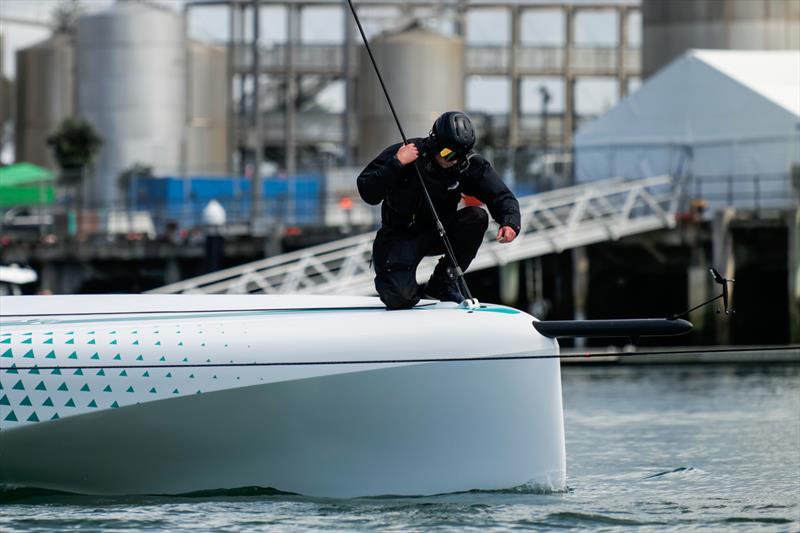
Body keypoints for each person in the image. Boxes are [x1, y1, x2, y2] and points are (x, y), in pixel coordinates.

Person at [357, 111, 521, 310]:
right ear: (435, 143)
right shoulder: (406, 152)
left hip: (438, 232)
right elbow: (367, 191)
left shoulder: (465, 163)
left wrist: (510, 222)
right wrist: (396, 164)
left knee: (477, 217)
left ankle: (442, 282)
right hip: (398, 237)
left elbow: (501, 195)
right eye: (448, 154)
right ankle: (404, 292)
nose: (453, 160)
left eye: (459, 156)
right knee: (400, 298)